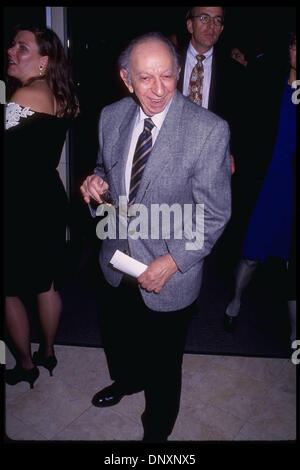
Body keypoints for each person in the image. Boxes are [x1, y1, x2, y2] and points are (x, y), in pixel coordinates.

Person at [80, 32, 231, 442]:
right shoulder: (110, 116)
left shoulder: (209, 131)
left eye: (167, 75)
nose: (159, 89)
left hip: (169, 269)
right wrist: (96, 183)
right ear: (127, 79)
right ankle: (127, 381)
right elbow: (106, 170)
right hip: (116, 257)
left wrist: (173, 262)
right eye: (146, 79)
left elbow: (215, 214)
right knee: (122, 338)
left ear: (178, 72)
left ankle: (157, 432)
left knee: (164, 365)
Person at [4, 25, 79, 389]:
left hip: (17, 202)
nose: (11, 52)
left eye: (22, 48)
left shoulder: (22, 96)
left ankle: (25, 364)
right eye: (12, 45)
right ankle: (48, 351)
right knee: (46, 284)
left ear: (44, 61)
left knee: (8, 289)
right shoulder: (62, 95)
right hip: (49, 197)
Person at [223, 33, 297, 345]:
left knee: (292, 262)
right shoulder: (270, 81)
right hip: (266, 181)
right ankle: (236, 301)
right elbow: (242, 117)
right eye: (295, 44)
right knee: (252, 253)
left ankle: (296, 334)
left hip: (293, 187)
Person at [177, 6, 247, 175]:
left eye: (217, 20)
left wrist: (231, 152)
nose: (211, 26)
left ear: (222, 28)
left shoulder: (236, 74)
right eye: (204, 18)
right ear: (190, 25)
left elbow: (242, 123)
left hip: (210, 164)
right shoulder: (167, 61)